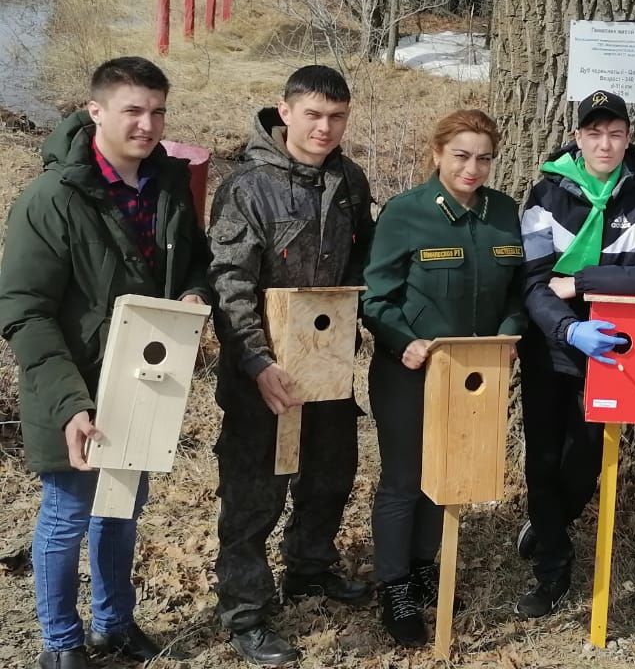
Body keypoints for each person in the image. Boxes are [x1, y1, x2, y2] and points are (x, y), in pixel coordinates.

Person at [0, 57, 212, 669]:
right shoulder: (52, 198)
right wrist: (72, 402)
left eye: (158, 111)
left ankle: (114, 624)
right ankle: (60, 644)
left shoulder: (167, 186)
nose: (147, 124)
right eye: (133, 110)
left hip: (143, 379)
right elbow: (24, 311)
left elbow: (193, 260)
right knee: (68, 514)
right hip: (71, 383)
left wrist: (194, 293)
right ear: (96, 112)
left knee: (122, 508)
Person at [208, 66, 374, 667]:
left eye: (336, 117)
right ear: (285, 112)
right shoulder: (247, 186)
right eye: (313, 115)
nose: (325, 128)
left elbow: (365, 262)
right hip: (263, 372)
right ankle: (247, 611)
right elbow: (230, 282)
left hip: (327, 362)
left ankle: (309, 566)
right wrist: (255, 361)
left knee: (331, 474)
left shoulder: (349, 180)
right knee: (254, 492)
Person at [360, 109, 526, 646]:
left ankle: (424, 565)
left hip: (474, 374)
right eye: (461, 156)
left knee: (447, 474)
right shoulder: (405, 213)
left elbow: (519, 290)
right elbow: (376, 297)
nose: (472, 169)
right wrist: (404, 341)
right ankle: (393, 584)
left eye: (483, 158)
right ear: (437, 154)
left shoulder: (504, 213)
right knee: (405, 480)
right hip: (409, 372)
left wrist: (506, 337)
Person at [515, 89, 635, 618]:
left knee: (585, 464)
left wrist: (581, 280)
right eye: (594, 133)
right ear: (577, 137)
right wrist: (567, 328)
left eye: (614, 133)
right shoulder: (546, 195)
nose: (604, 144)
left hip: (614, 352)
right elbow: (534, 283)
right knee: (541, 459)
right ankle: (552, 571)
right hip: (551, 347)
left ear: (629, 137)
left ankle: (547, 522)